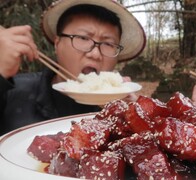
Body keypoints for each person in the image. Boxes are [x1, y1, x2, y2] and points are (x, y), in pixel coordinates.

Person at [0, 0, 146, 135]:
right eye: (83, 38)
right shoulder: (12, 91)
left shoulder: (121, 105)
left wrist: (135, 121)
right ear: (57, 44)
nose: (95, 54)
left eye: (108, 44)